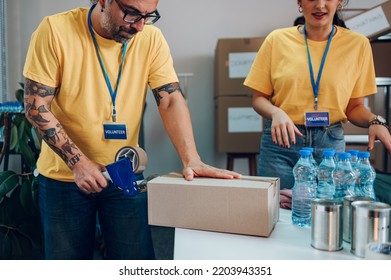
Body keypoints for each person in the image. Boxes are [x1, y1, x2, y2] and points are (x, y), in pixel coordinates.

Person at [23, 0, 240, 260]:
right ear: (103, 1)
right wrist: (78, 163)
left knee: (135, 261)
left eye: (148, 16)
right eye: (131, 13)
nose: (139, 25)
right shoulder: (55, 30)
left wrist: (191, 158)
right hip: (63, 177)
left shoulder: (150, 38)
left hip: (124, 171)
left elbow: (170, 99)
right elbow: (36, 106)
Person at [244, 0, 391, 206]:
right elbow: (258, 98)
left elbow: (354, 108)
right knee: (275, 215)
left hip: (329, 147)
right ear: (300, 2)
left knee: (327, 218)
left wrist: (375, 120)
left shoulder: (358, 45)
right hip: (282, 143)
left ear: (339, 2)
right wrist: (276, 112)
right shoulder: (276, 40)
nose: (320, 5)